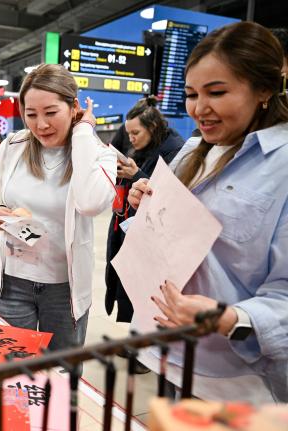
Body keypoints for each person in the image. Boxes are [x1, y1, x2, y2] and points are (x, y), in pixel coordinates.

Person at [128, 21, 288, 403]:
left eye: (217, 92)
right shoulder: (194, 151)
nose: (200, 109)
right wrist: (144, 205)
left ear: (264, 89)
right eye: (191, 94)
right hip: (168, 354)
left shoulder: (281, 164)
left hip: (240, 383)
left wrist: (227, 318)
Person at [0, 64, 117, 351]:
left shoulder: (99, 155)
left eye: (51, 112)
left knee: (62, 374)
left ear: (73, 107)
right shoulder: (13, 146)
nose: (41, 124)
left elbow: (91, 203)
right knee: (12, 371)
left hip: (64, 288)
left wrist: (83, 132)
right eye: (31, 115)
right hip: (11, 281)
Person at [105, 96, 184, 323]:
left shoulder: (175, 151)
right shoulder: (142, 146)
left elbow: (174, 197)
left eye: (136, 133)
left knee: (144, 295)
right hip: (127, 227)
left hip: (153, 239)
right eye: (128, 133)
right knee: (124, 287)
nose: (131, 138)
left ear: (152, 127)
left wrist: (137, 176)